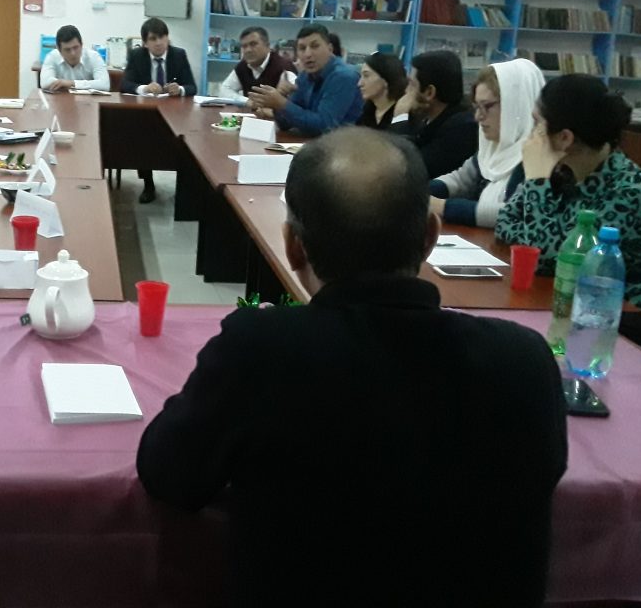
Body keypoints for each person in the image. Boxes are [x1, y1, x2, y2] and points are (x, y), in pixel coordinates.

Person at [137, 127, 567, 607]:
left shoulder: (261, 349)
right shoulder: (525, 360)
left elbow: (169, 474)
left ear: (292, 245)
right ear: (430, 236)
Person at [496, 74, 641, 355]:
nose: (532, 136)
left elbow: (549, 258)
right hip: (562, 303)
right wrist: (539, 231)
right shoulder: (562, 171)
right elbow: (506, 222)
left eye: (537, 124)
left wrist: (536, 182)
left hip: (622, 320)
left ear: (565, 137)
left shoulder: (630, 189)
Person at [429, 59, 543, 227]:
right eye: (476, 107)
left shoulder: (540, 156)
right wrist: (423, 194)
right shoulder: (492, 147)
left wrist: (444, 207)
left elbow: (514, 214)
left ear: (516, 105)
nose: (478, 117)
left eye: (487, 106)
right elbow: (461, 179)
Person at [122, 17, 197, 203]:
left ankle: (182, 187)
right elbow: (125, 85)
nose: (159, 42)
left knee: (183, 142)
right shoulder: (136, 56)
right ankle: (148, 185)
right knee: (141, 139)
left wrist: (180, 89)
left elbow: (192, 87)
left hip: (175, 114)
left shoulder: (179, 55)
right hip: (145, 114)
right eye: (153, 39)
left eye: (162, 37)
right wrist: (144, 88)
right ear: (145, 43)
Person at [246, 23, 362, 136]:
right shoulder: (305, 76)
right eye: (302, 48)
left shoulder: (344, 76)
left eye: (315, 46)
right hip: (314, 143)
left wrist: (282, 104)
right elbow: (286, 124)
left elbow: (324, 127)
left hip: (346, 145)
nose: (308, 54)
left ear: (330, 49)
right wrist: (278, 101)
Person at [388, 49, 478, 178]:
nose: (406, 91)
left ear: (429, 92)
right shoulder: (427, 117)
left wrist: (400, 116)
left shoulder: (462, 128)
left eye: (412, 85)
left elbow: (406, 169)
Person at [218, 26, 296, 101]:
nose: (248, 50)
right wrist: (247, 101)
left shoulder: (284, 66)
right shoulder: (243, 66)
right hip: (249, 110)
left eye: (253, 44)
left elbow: (296, 97)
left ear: (267, 46)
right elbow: (224, 90)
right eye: (244, 46)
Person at [40, 24, 110, 91]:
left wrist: (72, 83)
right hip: (61, 98)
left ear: (81, 44)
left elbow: (104, 84)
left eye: (76, 47)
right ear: (59, 49)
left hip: (87, 99)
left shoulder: (93, 57)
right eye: (67, 50)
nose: (73, 53)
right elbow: (45, 82)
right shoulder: (52, 57)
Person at [356, 51, 406, 129]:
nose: (359, 84)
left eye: (366, 76)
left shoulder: (403, 116)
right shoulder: (367, 113)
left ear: (386, 79)